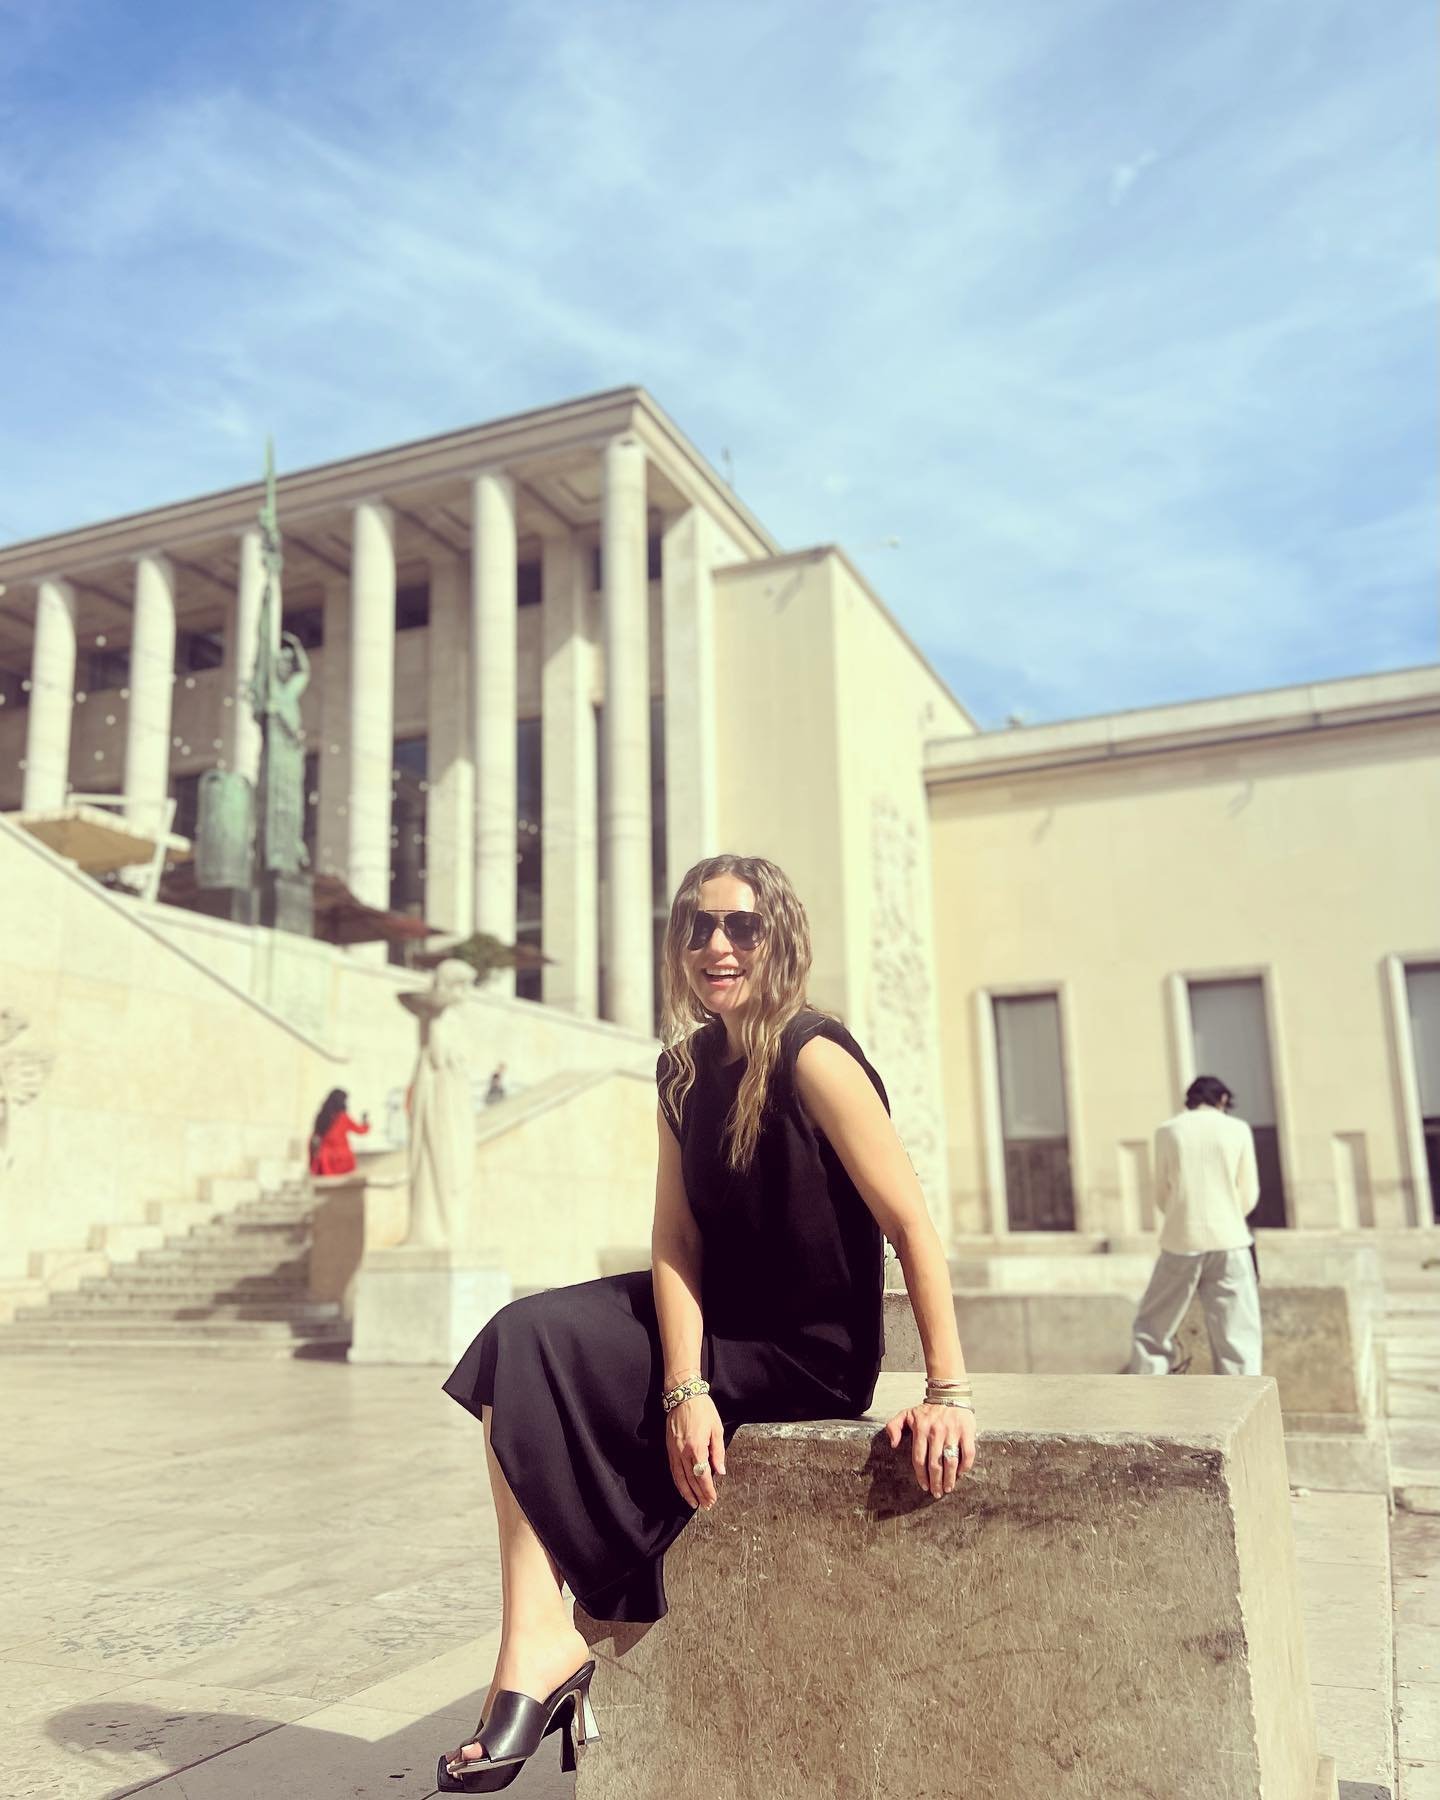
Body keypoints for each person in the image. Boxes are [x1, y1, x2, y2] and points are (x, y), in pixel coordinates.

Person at [434, 854, 977, 1792]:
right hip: (715, 1321)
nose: (715, 945)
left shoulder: (814, 1054)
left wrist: (949, 1393)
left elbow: (910, 1224)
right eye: (696, 926)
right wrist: (684, 1388)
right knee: (519, 1339)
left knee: (542, 1353)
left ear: (781, 939)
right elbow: (675, 1236)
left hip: (803, 1349)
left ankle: (548, 1648)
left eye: (740, 927)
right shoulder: (680, 1069)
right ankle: (537, 1640)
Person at [1127, 1074, 1263, 1377]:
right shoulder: (1238, 1129)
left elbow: (1162, 1192)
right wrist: (1227, 1214)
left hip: (1181, 1239)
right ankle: (1241, 1404)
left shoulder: (1168, 1131)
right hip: (1230, 1240)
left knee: (1153, 1327)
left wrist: (1180, 1214)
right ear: (1223, 1099)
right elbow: (1249, 1193)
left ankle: (1147, 1399)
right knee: (1237, 1334)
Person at [307, 1089, 369, 1177]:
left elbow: (314, 1139)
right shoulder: (343, 1118)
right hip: (342, 1161)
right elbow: (361, 1131)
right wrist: (365, 1122)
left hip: (325, 1162)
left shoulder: (322, 1117)